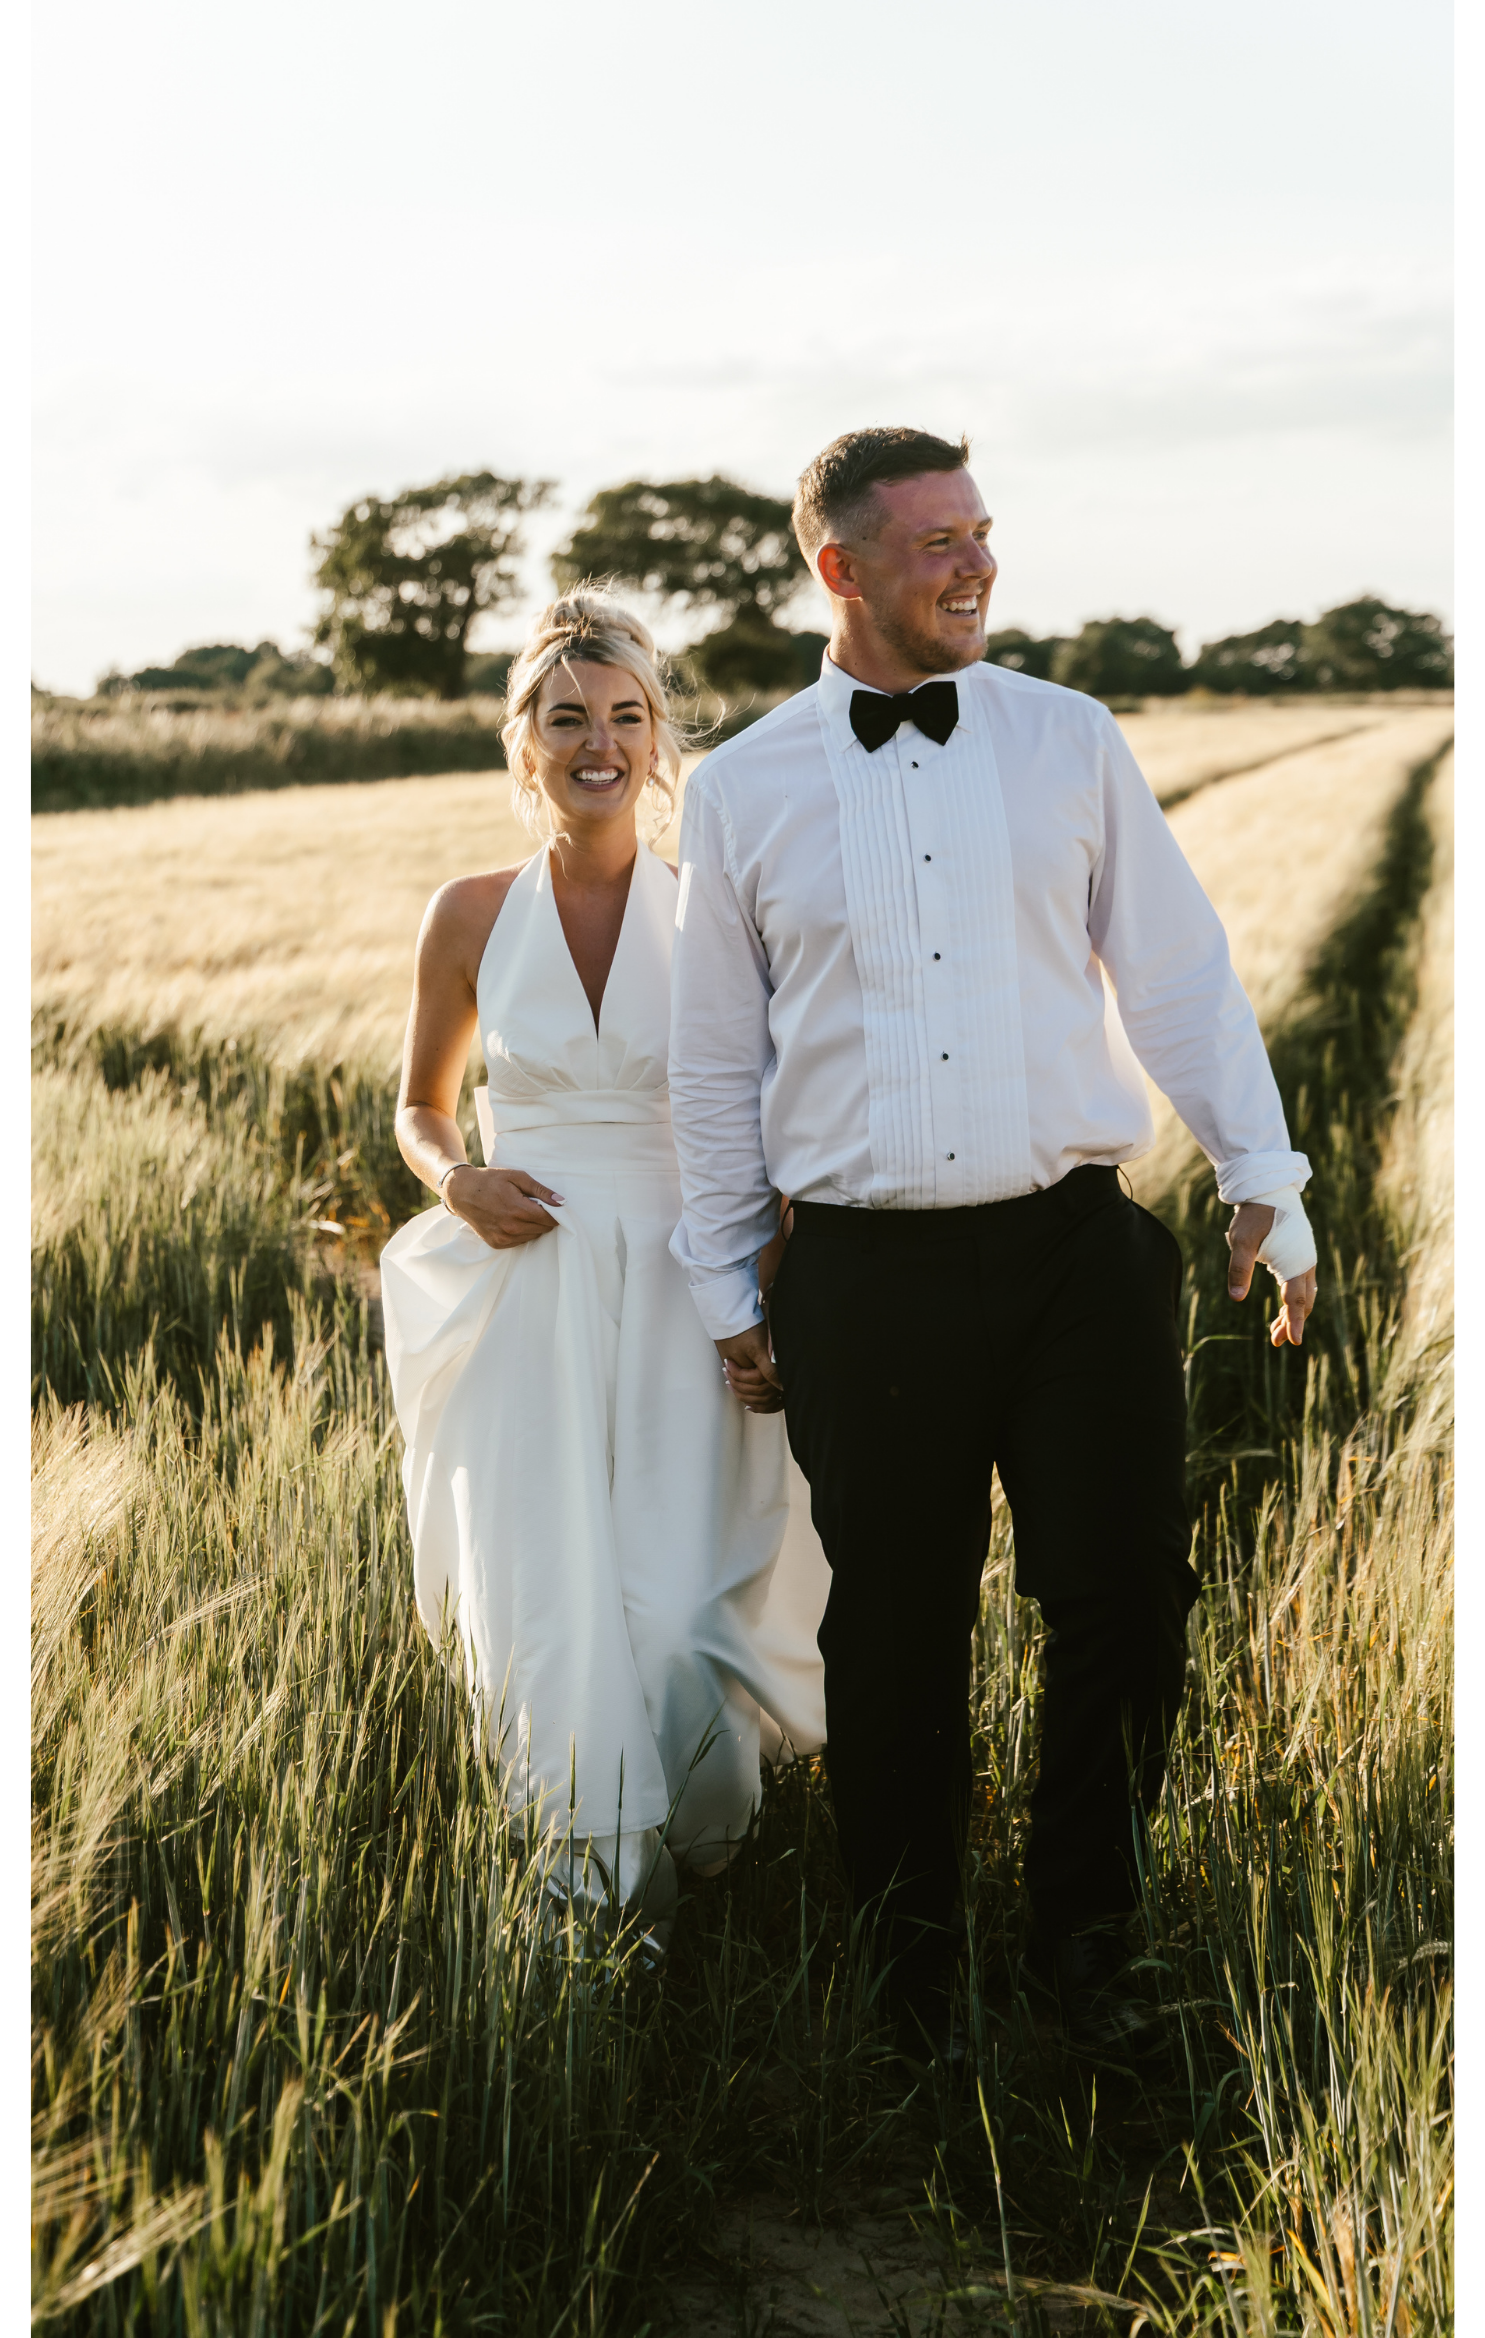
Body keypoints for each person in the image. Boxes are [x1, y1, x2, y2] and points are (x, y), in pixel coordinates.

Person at [667, 427, 1318, 2056]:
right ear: (843, 568)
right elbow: (712, 1065)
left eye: (982, 533)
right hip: (866, 1280)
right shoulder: (743, 790)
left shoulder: (1068, 740)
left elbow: (1175, 968)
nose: (977, 565)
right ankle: (907, 1984)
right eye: (939, 540)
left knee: (1126, 1608)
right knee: (894, 1633)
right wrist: (732, 1285)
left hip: (1076, 1258)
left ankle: (1085, 1949)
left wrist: (1262, 1166)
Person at [379, 590, 829, 1955]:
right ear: (525, 742)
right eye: (568, 716)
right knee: (551, 1582)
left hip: (686, 1277)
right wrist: (456, 1177)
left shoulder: (711, 913)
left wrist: (757, 1293)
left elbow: (770, 1126)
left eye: (626, 716)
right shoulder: (465, 914)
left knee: (688, 1599)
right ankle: (589, 1884)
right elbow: (421, 1105)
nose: (599, 740)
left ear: (658, 739)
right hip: (533, 1281)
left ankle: (700, 1848)